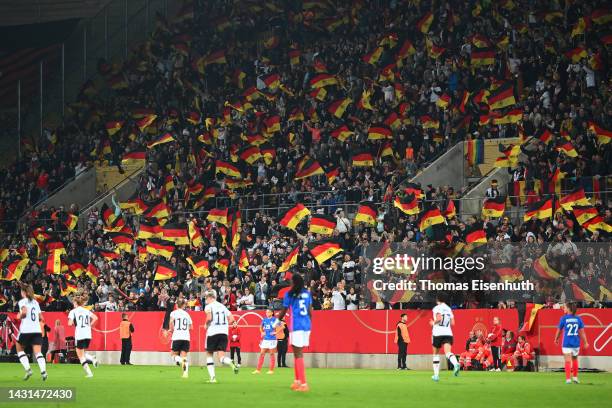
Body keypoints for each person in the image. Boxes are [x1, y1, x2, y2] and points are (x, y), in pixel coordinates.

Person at [278, 273, 312, 392]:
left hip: (296, 326)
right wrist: (309, 326)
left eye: (291, 281)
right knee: (297, 353)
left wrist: (276, 321)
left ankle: (303, 384)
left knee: (298, 354)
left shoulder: (290, 294)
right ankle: (297, 381)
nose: (290, 283)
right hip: (306, 326)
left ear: (295, 282)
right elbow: (310, 311)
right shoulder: (307, 293)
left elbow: (283, 311)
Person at [204, 290, 239, 383]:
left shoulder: (208, 306)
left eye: (206, 298)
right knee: (221, 357)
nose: (205, 300)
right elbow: (232, 319)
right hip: (224, 333)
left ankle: (212, 378)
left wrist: (206, 324)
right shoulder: (223, 307)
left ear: (211, 298)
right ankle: (231, 362)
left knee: (209, 354)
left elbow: (209, 318)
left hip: (213, 332)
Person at [15, 284, 47, 381]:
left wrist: (19, 316)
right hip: (36, 330)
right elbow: (41, 318)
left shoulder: (22, 301)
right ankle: (43, 371)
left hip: (26, 330)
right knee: (38, 352)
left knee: (19, 349)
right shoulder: (35, 302)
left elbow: (24, 313)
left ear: (23, 292)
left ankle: (28, 370)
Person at [554, 303, 589, 384]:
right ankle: (575, 378)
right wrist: (585, 342)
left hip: (566, 343)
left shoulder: (564, 318)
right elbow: (582, 333)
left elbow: (559, 330)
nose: (563, 309)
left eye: (565, 307)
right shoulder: (578, 319)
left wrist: (556, 339)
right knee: (575, 359)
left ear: (569, 309)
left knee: (567, 361)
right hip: (576, 343)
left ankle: (568, 379)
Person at [429, 293, 460, 381]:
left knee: (435, 354)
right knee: (448, 352)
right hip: (448, 333)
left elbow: (439, 319)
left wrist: (433, 323)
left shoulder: (437, 308)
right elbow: (453, 323)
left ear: (437, 299)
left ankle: (436, 375)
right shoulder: (448, 308)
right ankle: (455, 363)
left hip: (438, 333)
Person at [68, 292, 99, 378]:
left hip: (80, 334)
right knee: (82, 353)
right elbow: (96, 318)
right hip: (88, 334)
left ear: (76, 303)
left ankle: (90, 369)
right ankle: (90, 367)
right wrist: (89, 325)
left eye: (74, 303)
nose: (73, 304)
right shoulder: (86, 310)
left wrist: (72, 321)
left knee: (80, 355)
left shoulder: (73, 311)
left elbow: (69, 324)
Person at [168, 298, 192, 378]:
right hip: (186, 337)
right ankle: (185, 373)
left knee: (173, 355)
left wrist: (171, 330)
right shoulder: (187, 314)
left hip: (177, 336)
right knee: (184, 356)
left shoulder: (173, 313)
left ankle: (181, 361)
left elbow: (171, 322)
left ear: (176, 305)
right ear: (183, 305)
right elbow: (191, 327)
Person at [252, 308, 279, 375]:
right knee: (261, 353)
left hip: (272, 339)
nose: (267, 313)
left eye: (268, 312)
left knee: (271, 354)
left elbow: (282, 327)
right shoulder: (264, 320)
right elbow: (261, 327)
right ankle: (258, 370)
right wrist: (262, 332)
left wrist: (276, 332)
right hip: (265, 339)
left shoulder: (275, 320)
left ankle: (271, 370)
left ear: (272, 313)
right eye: (266, 312)